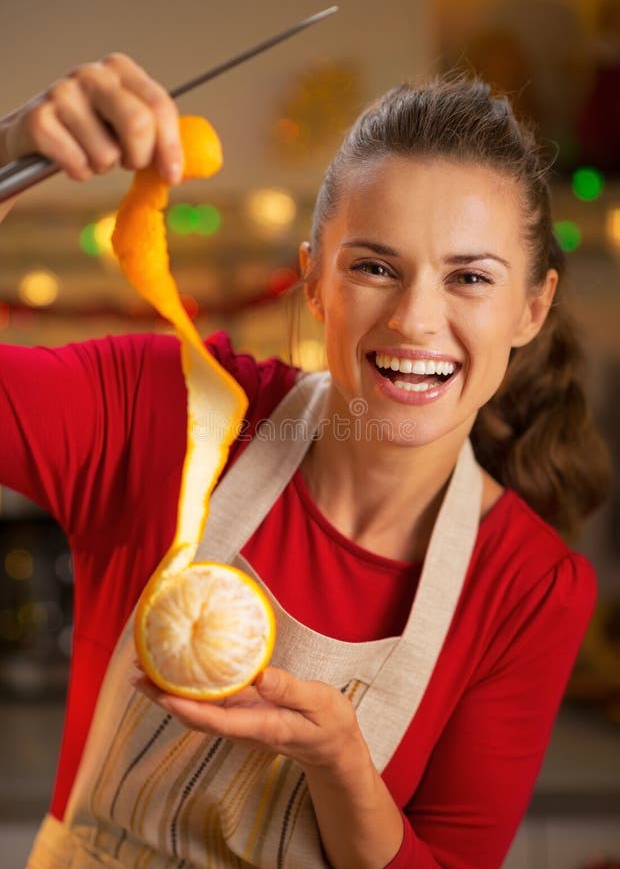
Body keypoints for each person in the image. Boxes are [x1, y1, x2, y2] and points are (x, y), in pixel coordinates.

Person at [0, 54, 611, 869]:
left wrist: (340, 765)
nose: (417, 319)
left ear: (531, 308)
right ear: (313, 281)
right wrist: (11, 151)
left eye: (469, 277)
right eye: (374, 267)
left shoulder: (531, 588)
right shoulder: (164, 412)